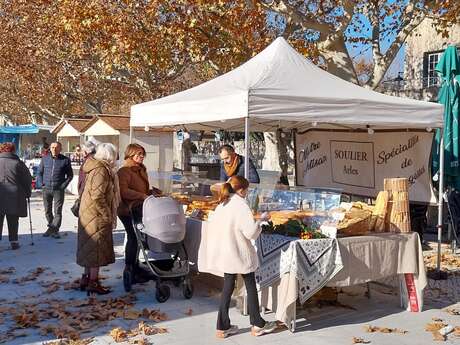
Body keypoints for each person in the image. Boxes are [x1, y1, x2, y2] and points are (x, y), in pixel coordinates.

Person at [203, 175, 277, 338]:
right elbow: (250, 233)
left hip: (226, 251)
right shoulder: (240, 205)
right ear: (241, 190)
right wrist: (261, 220)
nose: (248, 193)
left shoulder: (222, 203)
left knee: (227, 288)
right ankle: (257, 324)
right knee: (250, 284)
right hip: (239, 251)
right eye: (247, 190)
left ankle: (222, 326)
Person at [76, 143, 120, 295]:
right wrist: (106, 214)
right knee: (95, 250)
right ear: (110, 156)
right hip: (95, 215)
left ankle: (86, 278)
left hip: (88, 213)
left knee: (89, 249)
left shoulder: (94, 167)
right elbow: (97, 196)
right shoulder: (101, 169)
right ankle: (93, 282)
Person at [118, 143, 162, 284]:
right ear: (130, 155)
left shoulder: (141, 169)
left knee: (138, 238)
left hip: (139, 208)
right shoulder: (124, 171)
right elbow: (124, 191)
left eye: (143, 154)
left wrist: (151, 192)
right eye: (139, 154)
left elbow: (142, 190)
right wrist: (142, 196)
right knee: (133, 237)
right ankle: (130, 268)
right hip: (127, 209)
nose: (142, 157)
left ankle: (135, 267)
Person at [0, 142, 32, 250]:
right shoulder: (18, 163)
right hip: (14, 194)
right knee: (13, 219)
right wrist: (28, 193)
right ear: (13, 150)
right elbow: (27, 179)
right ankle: (14, 241)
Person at [38, 142, 73, 238]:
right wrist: (42, 184)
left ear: (60, 149)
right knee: (47, 211)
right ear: (50, 148)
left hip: (58, 189)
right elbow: (40, 173)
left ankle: (54, 230)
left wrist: (63, 186)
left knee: (57, 211)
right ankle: (52, 228)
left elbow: (70, 175)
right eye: (52, 147)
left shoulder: (65, 160)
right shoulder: (45, 159)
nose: (54, 149)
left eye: (56, 148)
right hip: (46, 189)